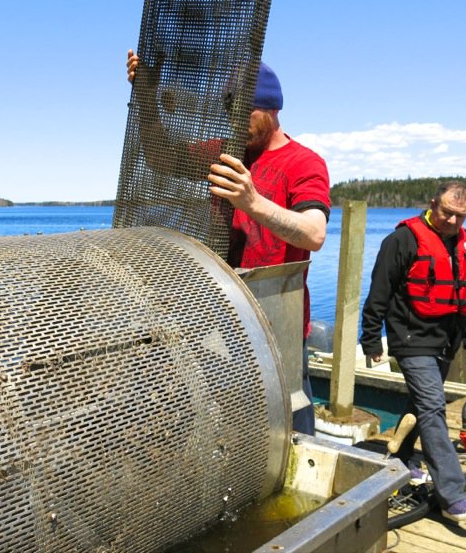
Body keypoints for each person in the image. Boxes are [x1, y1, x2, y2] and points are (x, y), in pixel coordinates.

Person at [127, 50, 330, 434]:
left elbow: (314, 233)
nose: (236, 124)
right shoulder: (226, 152)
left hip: (277, 322)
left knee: (291, 419)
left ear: (271, 110)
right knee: (234, 418)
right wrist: (147, 101)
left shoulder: (303, 163)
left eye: (245, 114)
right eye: (230, 114)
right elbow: (159, 158)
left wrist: (252, 202)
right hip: (221, 316)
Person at [360, 181, 466, 523]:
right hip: (410, 339)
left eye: (461, 216)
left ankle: (401, 461)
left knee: (420, 404)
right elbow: (378, 294)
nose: (453, 222)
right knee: (432, 407)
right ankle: (453, 496)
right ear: (432, 204)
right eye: (447, 213)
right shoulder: (401, 240)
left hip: (447, 342)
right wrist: (371, 339)